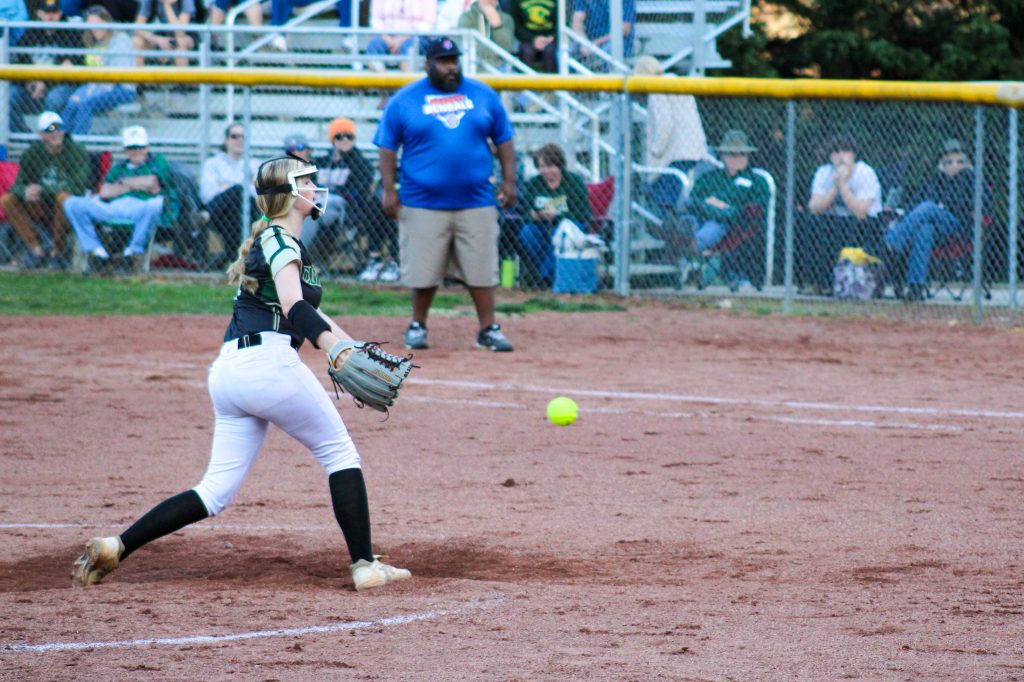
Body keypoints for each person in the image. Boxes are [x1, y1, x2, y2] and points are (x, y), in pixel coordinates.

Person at [70, 155, 412, 593]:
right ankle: (365, 565)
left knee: (213, 491)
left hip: (231, 372)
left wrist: (350, 345)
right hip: (268, 365)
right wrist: (331, 349)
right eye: (306, 181)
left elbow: (311, 309)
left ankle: (116, 545)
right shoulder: (282, 242)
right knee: (340, 454)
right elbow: (295, 308)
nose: (315, 187)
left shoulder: (276, 239)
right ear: (289, 194)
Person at [374, 36, 517, 352]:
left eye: (454, 60)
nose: (451, 67)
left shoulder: (483, 95)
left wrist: (509, 181)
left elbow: (505, 140)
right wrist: (389, 190)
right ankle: (418, 325)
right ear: (428, 63)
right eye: (443, 61)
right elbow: (386, 146)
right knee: (424, 270)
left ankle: (488, 329)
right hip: (422, 200)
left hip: (476, 198)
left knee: (481, 269)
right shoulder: (405, 99)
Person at [63, 125, 179, 273]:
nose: (136, 151)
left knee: (156, 203)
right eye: (131, 147)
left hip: (140, 208)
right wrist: (137, 184)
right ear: (125, 149)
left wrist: (122, 183)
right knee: (72, 203)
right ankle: (97, 252)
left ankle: (133, 252)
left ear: (147, 147)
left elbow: (152, 183)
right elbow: (104, 192)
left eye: (140, 147)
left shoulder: (158, 161)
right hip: (112, 208)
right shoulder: (118, 166)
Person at [884, 138, 984, 301]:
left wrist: (941, 203)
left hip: (959, 226)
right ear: (942, 164)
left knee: (929, 207)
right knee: (925, 230)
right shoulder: (936, 180)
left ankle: (891, 243)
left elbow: (968, 204)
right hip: (936, 230)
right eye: (949, 162)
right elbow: (915, 203)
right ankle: (916, 287)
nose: (955, 165)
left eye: (960, 161)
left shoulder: (971, 179)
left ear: (967, 163)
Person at [0, 111, 90, 269]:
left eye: (58, 128)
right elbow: (18, 185)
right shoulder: (32, 153)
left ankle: (56, 252)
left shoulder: (77, 151)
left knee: (63, 197)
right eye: (50, 130)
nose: (56, 133)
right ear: (41, 134)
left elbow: (78, 187)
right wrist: (25, 192)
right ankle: (37, 250)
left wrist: (43, 190)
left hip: (66, 207)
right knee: (7, 200)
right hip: (40, 204)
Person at [312, 117, 397, 282]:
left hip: (346, 210)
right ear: (332, 140)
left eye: (349, 136)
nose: (344, 140)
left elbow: (360, 192)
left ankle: (378, 260)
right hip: (317, 206)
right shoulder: (320, 162)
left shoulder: (360, 163)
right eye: (339, 136)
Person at [686, 129, 771, 287]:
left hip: (730, 225)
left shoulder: (756, 180)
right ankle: (680, 237)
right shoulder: (711, 177)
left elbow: (749, 210)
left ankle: (688, 246)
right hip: (700, 217)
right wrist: (718, 207)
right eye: (731, 154)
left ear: (747, 156)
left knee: (714, 226)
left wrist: (714, 206)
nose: (736, 158)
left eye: (741, 154)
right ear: (723, 155)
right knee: (688, 219)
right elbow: (693, 199)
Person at [799, 134, 882, 295]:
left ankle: (839, 282)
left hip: (864, 224)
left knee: (841, 226)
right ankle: (819, 282)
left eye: (845, 151)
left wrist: (843, 185)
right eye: (836, 152)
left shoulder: (865, 172)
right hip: (832, 222)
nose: (841, 156)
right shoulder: (824, 172)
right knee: (812, 223)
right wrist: (835, 187)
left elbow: (861, 212)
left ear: (854, 154)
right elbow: (814, 207)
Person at [518, 143, 591, 288]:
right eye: (541, 167)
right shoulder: (535, 183)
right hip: (541, 226)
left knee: (561, 236)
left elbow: (583, 213)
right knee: (527, 233)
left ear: (559, 166)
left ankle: (544, 277)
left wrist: (557, 216)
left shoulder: (573, 181)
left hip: (567, 227)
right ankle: (547, 274)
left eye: (550, 166)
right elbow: (525, 209)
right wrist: (534, 215)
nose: (546, 171)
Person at [60, 6, 138, 135]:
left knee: (86, 103)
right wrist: (90, 90)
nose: (94, 28)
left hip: (120, 87)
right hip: (94, 85)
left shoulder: (120, 39)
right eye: (91, 25)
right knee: (72, 102)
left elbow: (119, 73)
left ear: (106, 22)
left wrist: (94, 90)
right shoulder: (93, 42)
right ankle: (62, 142)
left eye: (97, 24)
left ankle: (79, 144)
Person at [8, 0, 83, 133]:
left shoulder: (70, 33)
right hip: (33, 84)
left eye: (54, 12)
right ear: (39, 14)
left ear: (60, 13)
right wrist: (31, 82)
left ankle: (51, 137)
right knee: (10, 96)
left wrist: (45, 83)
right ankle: (24, 136)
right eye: (47, 13)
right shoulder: (31, 32)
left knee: (54, 99)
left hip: (60, 84)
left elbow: (75, 69)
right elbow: (19, 62)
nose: (51, 17)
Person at [200, 122, 260, 269]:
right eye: (234, 136)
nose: (239, 140)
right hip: (221, 215)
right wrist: (247, 186)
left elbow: (263, 193)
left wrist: (228, 187)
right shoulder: (212, 163)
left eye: (243, 137)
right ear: (226, 140)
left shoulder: (256, 164)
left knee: (238, 191)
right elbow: (207, 193)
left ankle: (205, 215)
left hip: (250, 211)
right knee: (235, 202)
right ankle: (236, 257)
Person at [366, 0, 437, 72]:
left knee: (409, 47)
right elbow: (375, 19)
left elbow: (428, 23)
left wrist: (404, 38)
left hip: (416, 36)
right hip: (386, 36)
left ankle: (408, 79)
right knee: (374, 45)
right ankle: (380, 80)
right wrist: (386, 37)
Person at [132, 0, 198, 69]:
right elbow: (138, 28)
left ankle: (181, 79)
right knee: (137, 41)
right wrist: (158, 40)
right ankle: (141, 78)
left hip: (186, 37)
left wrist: (167, 5)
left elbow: (180, 32)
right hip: (162, 35)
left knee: (181, 42)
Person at [571, 0, 636, 64]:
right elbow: (577, 22)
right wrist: (585, 43)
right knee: (568, 52)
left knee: (607, 53)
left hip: (618, 40)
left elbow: (624, 29)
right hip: (589, 39)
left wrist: (595, 43)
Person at [457, 0, 515, 67]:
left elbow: (506, 50)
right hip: (473, 66)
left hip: (499, 67)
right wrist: (493, 52)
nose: (489, 1)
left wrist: (497, 25)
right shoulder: (467, 17)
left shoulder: (507, 19)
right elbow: (467, 48)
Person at [509, 0, 556, 73]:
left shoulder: (558, 2)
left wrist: (553, 36)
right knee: (527, 51)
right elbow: (516, 25)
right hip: (527, 38)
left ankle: (552, 84)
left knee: (550, 52)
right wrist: (533, 39)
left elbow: (562, 22)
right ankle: (525, 83)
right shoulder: (516, 1)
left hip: (550, 39)